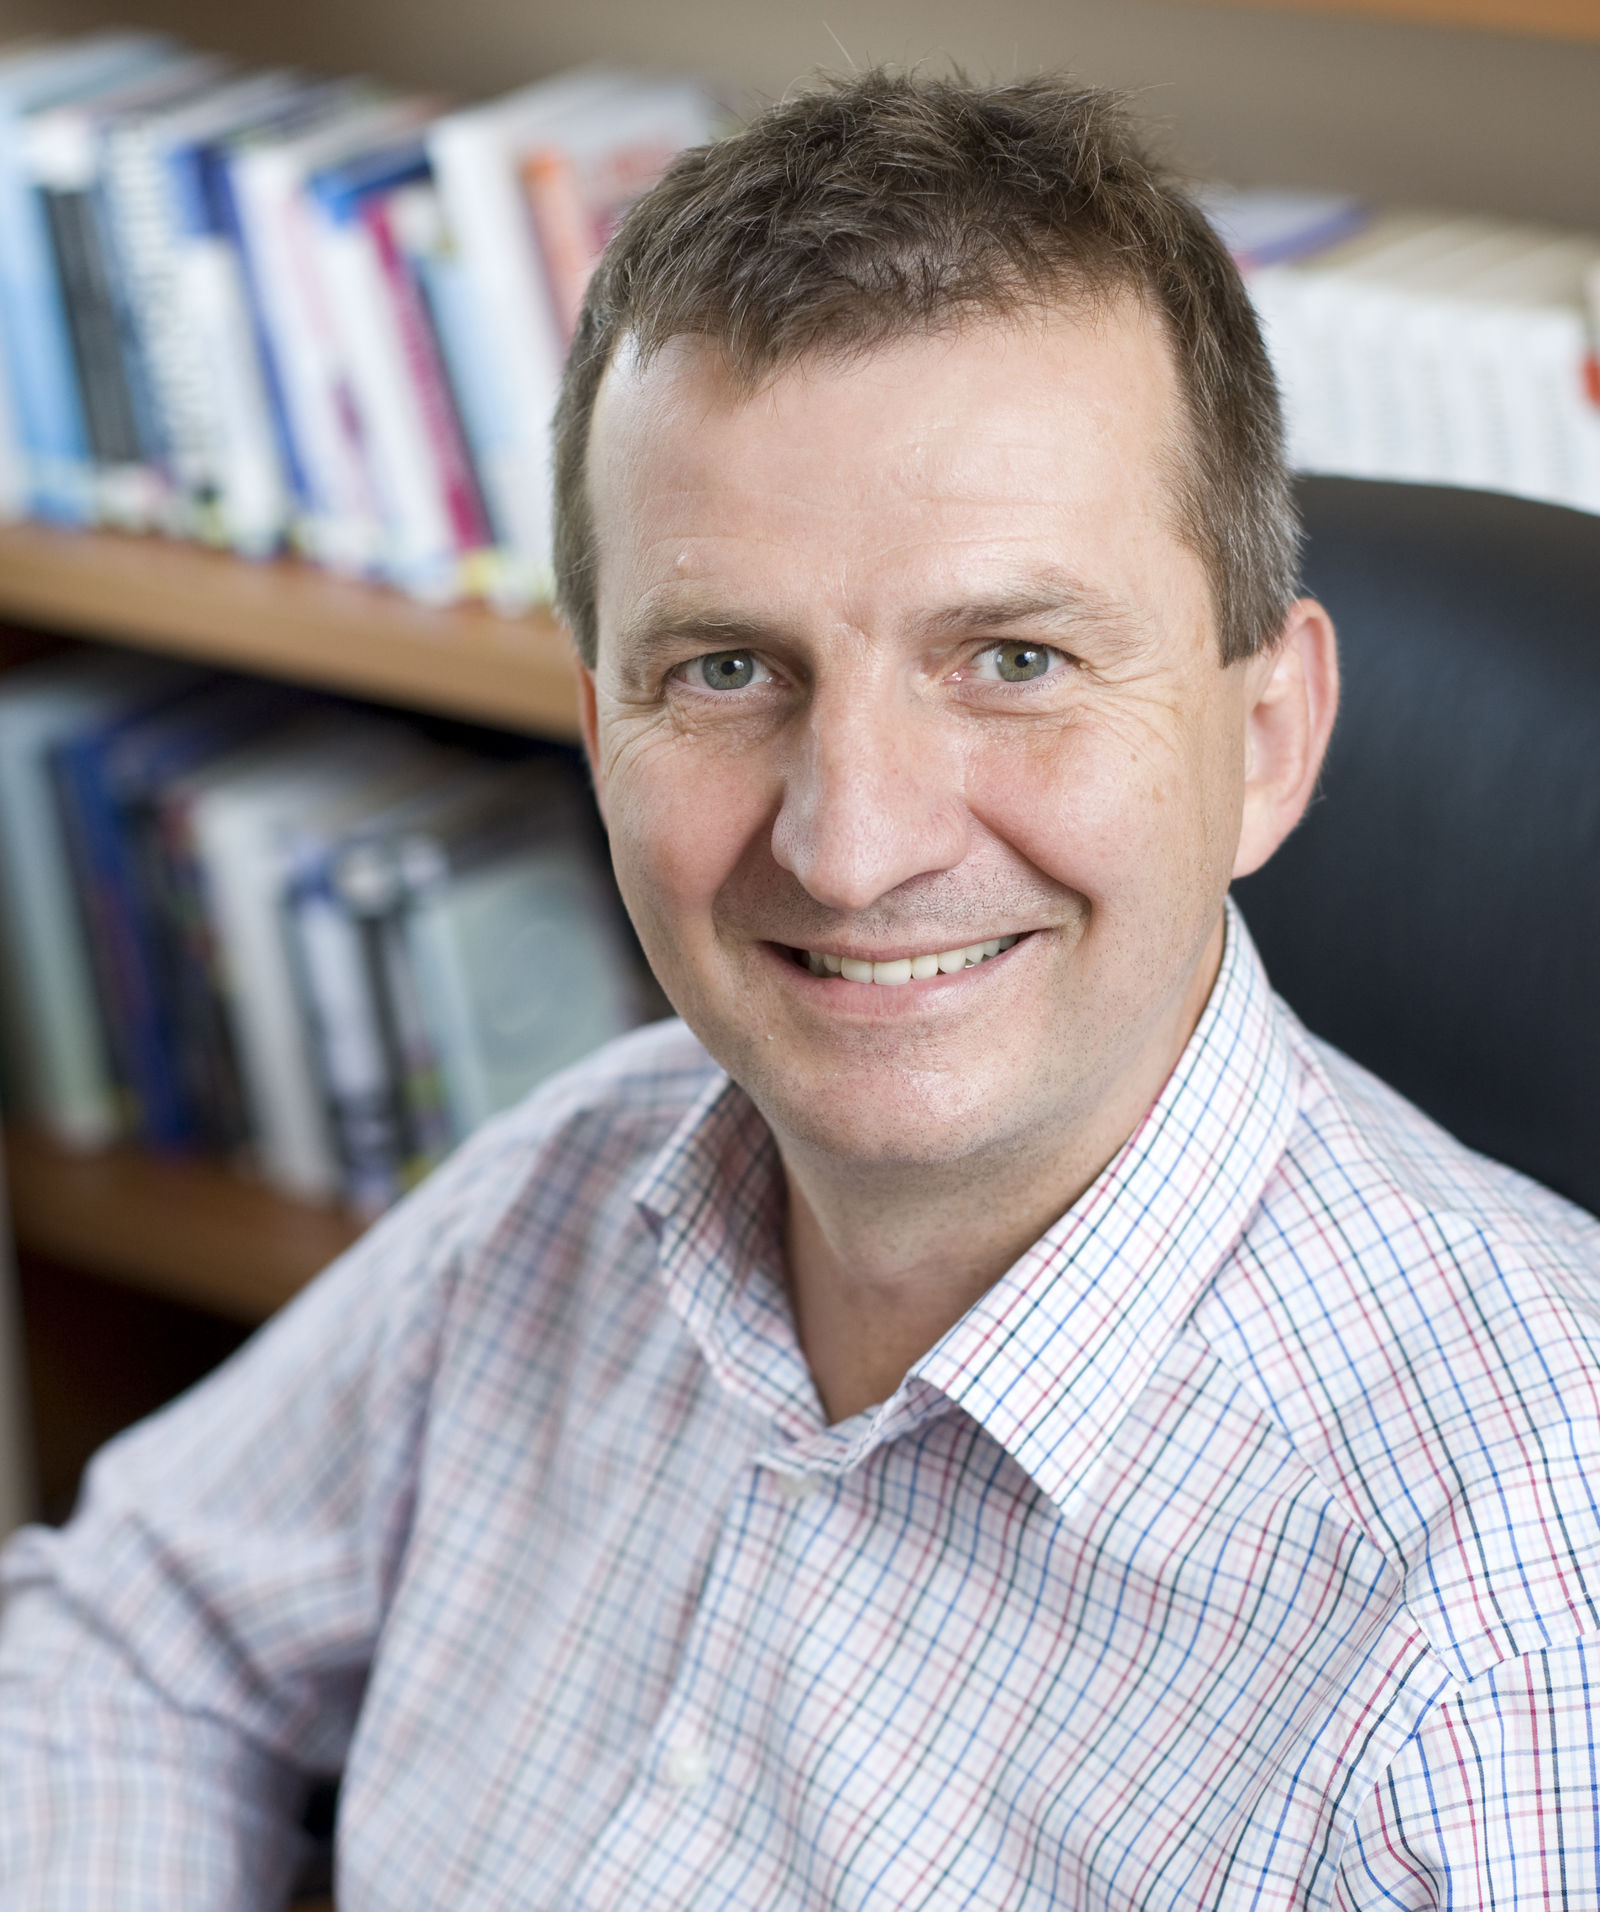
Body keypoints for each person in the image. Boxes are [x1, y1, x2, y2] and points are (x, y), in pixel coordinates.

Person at [3, 69, 1599, 1911]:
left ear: (1265, 738)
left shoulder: (1507, 1643)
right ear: (600, 730)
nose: (851, 849)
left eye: (1014, 658)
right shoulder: (575, 1183)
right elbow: (130, 1643)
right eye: (725, 670)